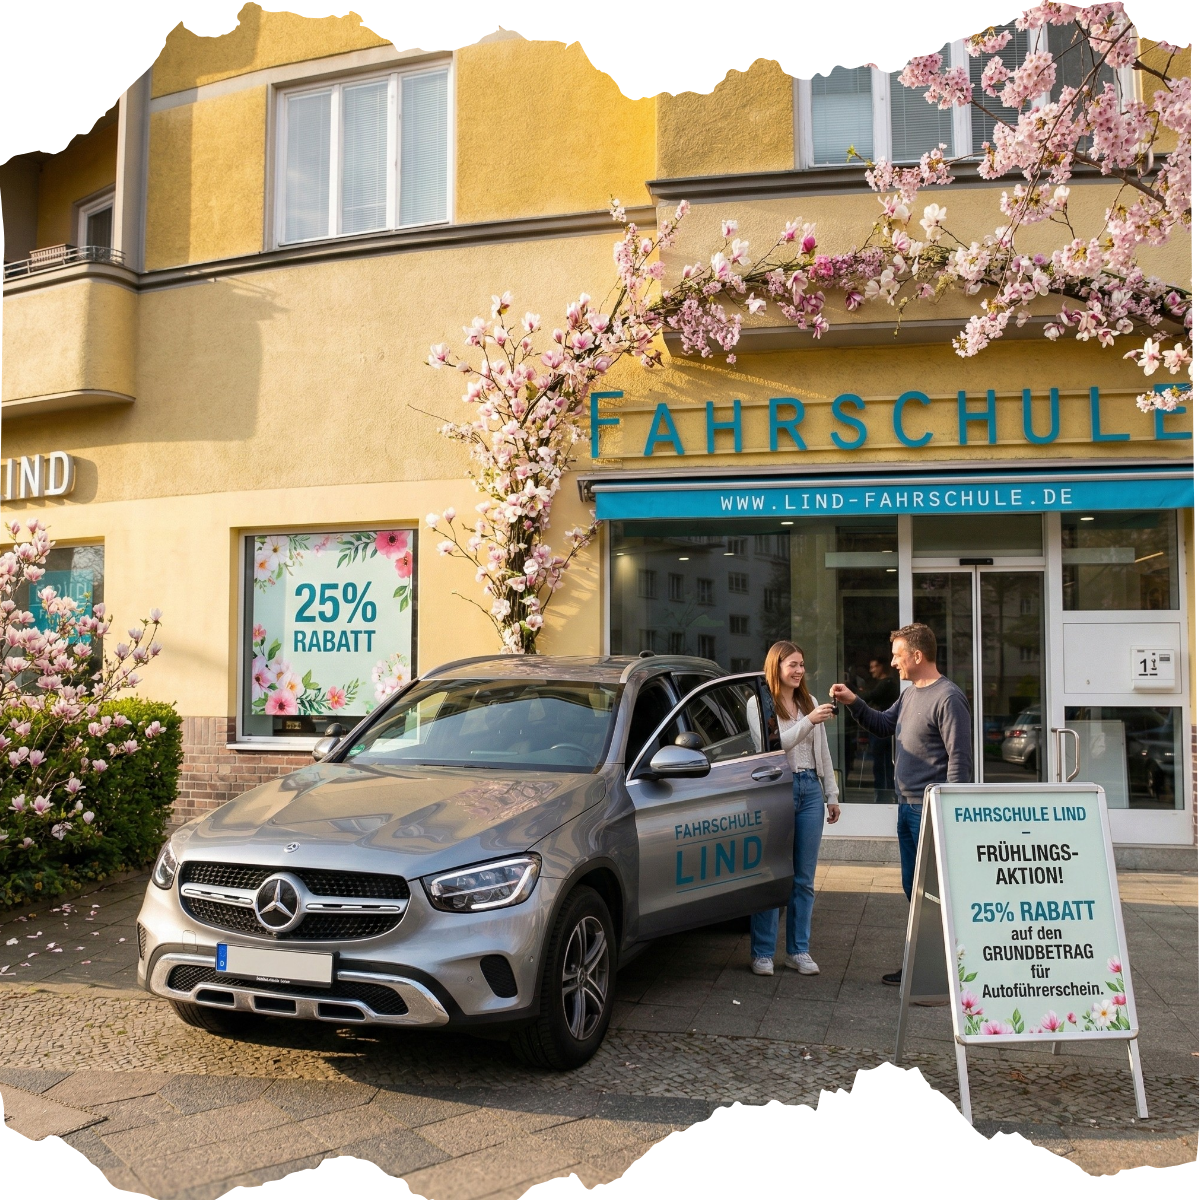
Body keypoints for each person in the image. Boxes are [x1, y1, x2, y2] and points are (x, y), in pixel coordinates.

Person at [830, 623, 972, 987]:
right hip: (906, 808)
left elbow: (960, 761)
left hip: (930, 810)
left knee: (934, 893)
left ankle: (945, 968)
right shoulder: (910, 694)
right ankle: (926, 964)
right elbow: (882, 724)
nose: (893, 663)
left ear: (917, 656)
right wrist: (853, 702)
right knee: (915, 888)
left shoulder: (948, 697)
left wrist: (950, 814)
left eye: (897, 655)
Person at [749, 641, 840, 977]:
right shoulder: (760, 704)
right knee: (771, 872)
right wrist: (809, 722)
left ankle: (798, 951)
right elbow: (774, 746)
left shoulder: (809, 701)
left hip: (809, 791)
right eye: (793, 665)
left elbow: (823, 752)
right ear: (777, 666)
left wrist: (831, 793)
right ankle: (762, 953)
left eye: (802, 664)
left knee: (803, 878)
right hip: (776, 790)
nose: (800, 671)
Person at [861, 656, 899, 803]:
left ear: (882, 666)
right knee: (882, 766)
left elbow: (871, 696)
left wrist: (852, 696)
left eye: (874, 667)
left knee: (882, 766)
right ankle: (885, 795)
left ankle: (884, 797)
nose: (871, 671)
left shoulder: (887, 684)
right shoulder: (884, 684)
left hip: (883, 732)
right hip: (883, 731)